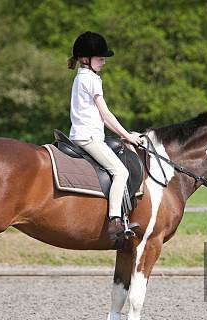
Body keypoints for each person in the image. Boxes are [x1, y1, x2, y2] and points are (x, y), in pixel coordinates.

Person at [67, 31, 142, 239]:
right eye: (100, 58)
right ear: (85, 59)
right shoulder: (91, 79)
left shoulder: (80, 77)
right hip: (88, 137)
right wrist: (127, 135)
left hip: (81, 134)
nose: (103, 62)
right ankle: (114, 220)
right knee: (121, 172)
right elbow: (106, 115)